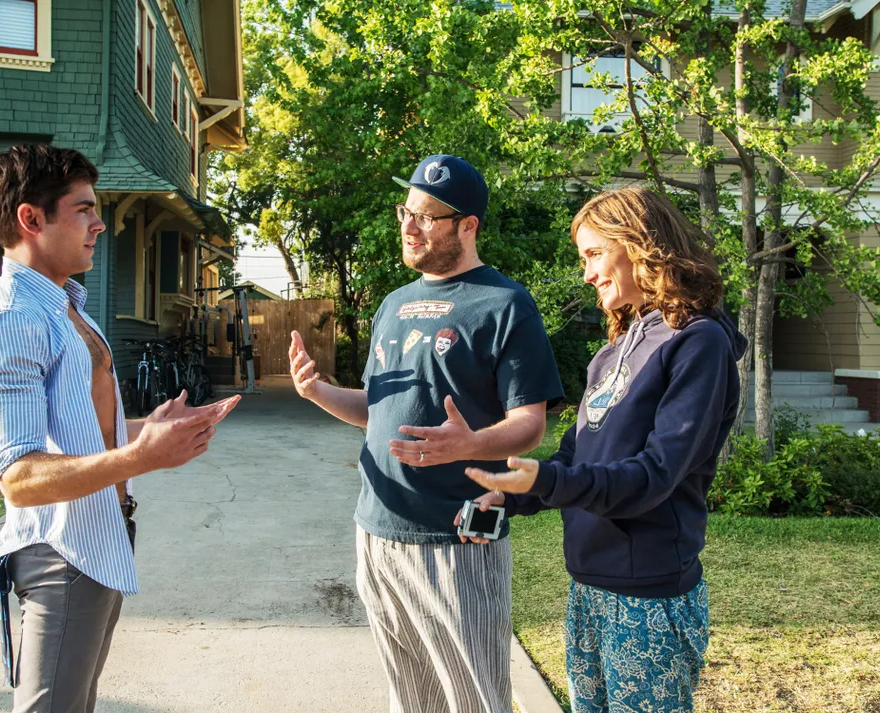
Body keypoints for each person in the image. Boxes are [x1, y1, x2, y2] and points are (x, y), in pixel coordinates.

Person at [0, 144, 239, 713]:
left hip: (101, 538)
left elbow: (77, 428)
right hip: (60, 551)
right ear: (31, 219)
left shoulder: (66, 305)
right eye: (84, 209)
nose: (99, 223)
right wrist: (142, 457)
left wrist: (145, 430)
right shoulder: (12, 317)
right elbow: (19, 476)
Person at [289, 154, 564, 713]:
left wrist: (470, 444)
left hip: (457, 540)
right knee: (410, 698)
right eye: (405, 213)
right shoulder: (392, 305)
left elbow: (529, 424)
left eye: (427, 218)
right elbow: (377, 409)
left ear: (468, 226)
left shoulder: (506, 305)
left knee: (475, 700)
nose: (409, 228)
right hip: (378, 532)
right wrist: (318, 391)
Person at [462, 186, 747, 712]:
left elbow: (654, 476)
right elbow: (575, 458)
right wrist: (513, 497)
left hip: (649, 597)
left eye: (594, 254)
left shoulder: (698, 343)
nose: (588, 273)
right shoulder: (614, 349)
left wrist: (543, 482)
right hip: (589, 587)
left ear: (639, 245)